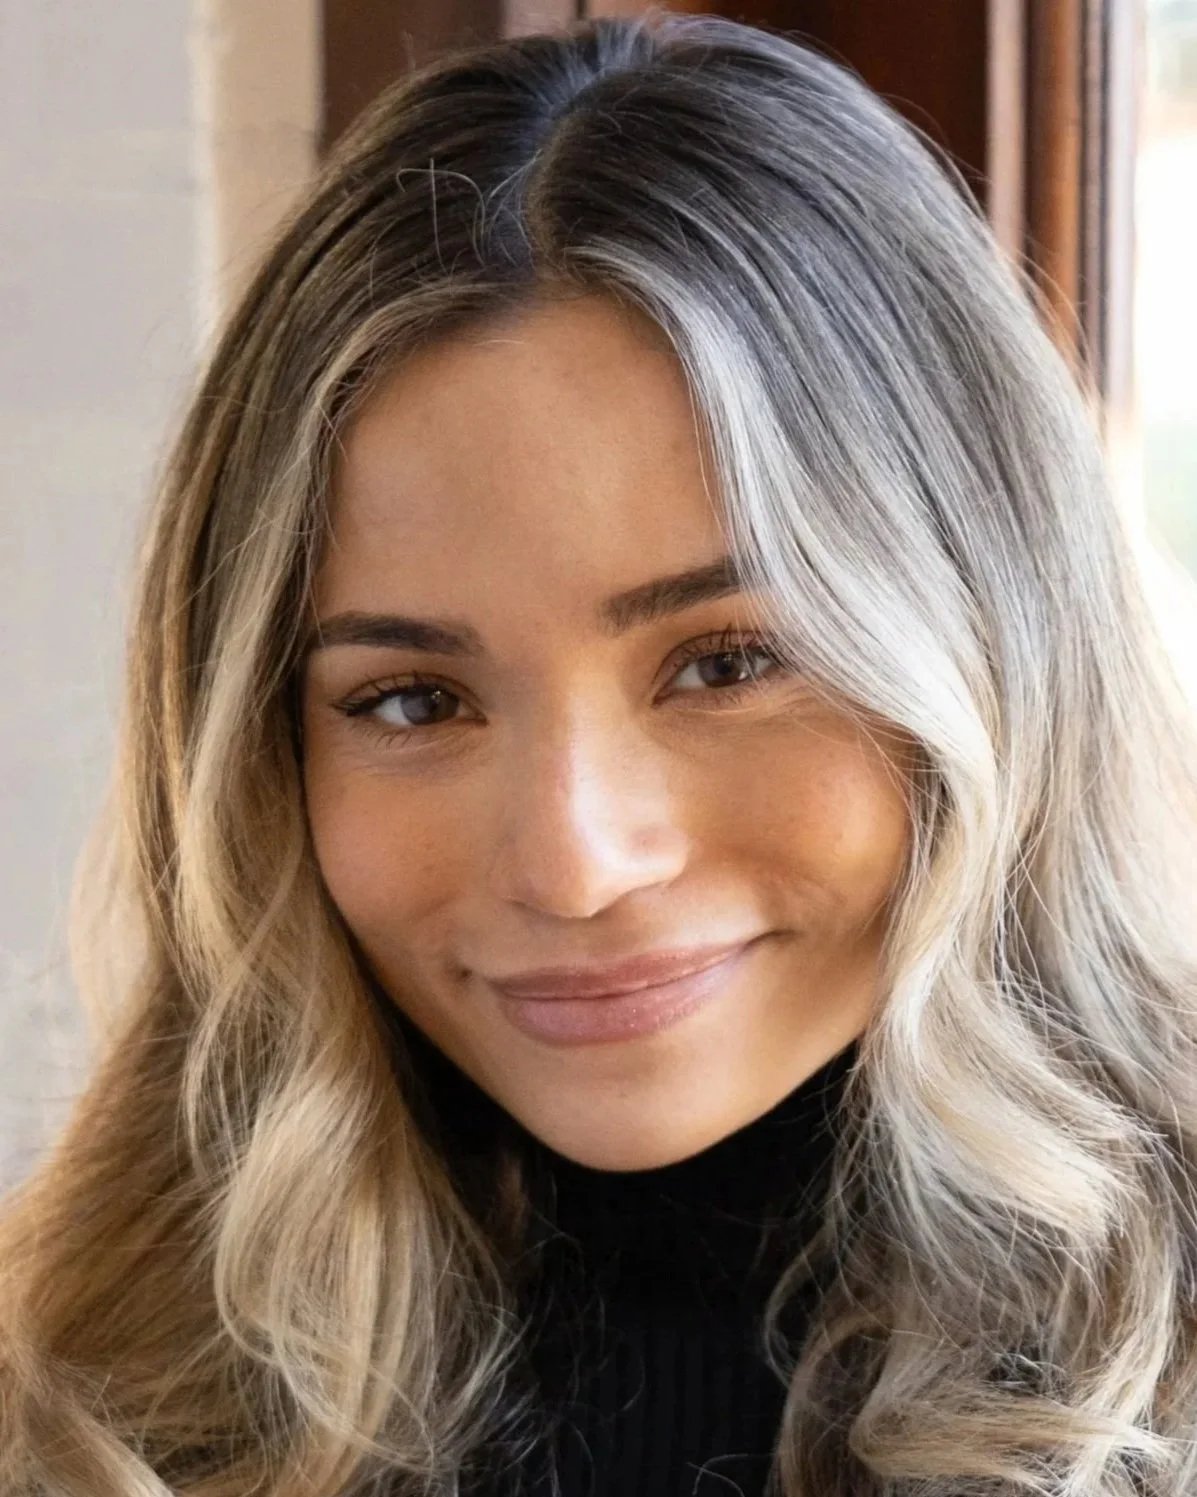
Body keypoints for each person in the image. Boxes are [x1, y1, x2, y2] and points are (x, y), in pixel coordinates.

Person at [2, 9, 1196, 1496]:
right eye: (412, 701)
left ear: (1002, 653)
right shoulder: (73, 1404)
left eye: (728, 664)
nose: (572, 864)